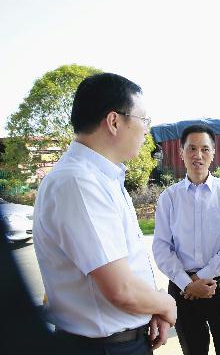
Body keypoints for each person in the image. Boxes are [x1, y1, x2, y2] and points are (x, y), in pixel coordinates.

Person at [33, 73, 176, 354]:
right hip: (103, 347)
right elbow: (120, 289)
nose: (146, 131)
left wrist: (152, 307)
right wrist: (166, 304)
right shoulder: (78, 182)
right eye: (143, 120)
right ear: (114, 121)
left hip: (120, 342)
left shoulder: (101, 178)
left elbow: (126, 269)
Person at [153, 124, 220, 355]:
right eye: (191, 148)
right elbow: (162, 246)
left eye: (204, 149)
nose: (198, 155)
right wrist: (187, 284)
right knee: (193, 349)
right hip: (183, 289)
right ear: (181, 153)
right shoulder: (169, 197)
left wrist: (200, 279)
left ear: (213, 153)